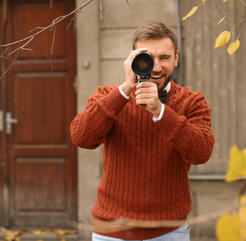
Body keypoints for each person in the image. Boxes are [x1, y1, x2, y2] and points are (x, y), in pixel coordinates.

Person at [70, 22, 215, 241]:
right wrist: (124, 90)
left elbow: (201, 152)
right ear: (133, 59)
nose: (155, 67)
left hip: (169, 231)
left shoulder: (192, 102)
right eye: (147, 58)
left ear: (176, 58)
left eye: (164, 58)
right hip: (112, 230)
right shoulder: (108, 95)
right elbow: (81, 137)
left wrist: (161, 111)